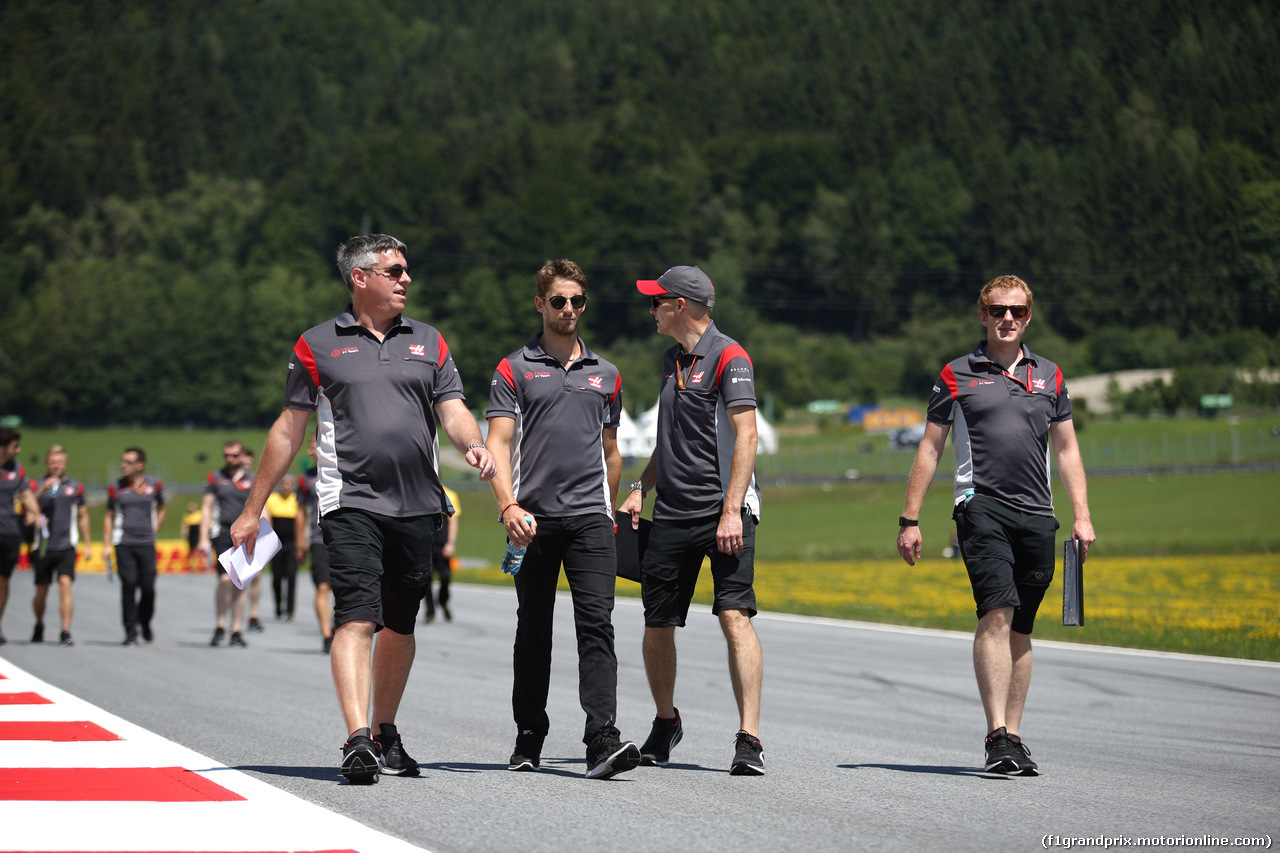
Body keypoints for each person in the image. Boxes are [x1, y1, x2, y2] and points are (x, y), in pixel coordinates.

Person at [229, 233, 496, 785]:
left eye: (406, 270)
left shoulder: (430, 341)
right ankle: (356, 740)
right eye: (395, 271)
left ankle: (384, 731)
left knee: (400, 622)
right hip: (348, 501)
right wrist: (252, 508)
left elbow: (454, 409)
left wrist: (473, 444)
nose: (406, 280)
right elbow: (288, 428)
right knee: (356, 615)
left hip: (420, 504)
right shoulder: (316, 345)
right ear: (361, 278)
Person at [896, 274, 1096, 776]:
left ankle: (1015, 734)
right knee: (997, 610)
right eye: (1000, 311)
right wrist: (910, 518)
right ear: (982, 315)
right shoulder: (956, 374)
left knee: (1022, 626)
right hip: (980, 506)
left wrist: (1083, 516)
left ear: (1029, 316)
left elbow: (1068, 449)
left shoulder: (1049, 375)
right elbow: (931, 446)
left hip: (1038, 514)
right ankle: (996, 735)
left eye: (1019, 312)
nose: (1009, 319)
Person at [486, 258, 641, 780]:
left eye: (577, 301)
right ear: (540, 303)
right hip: (532, 522)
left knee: (597, 624)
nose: (569, 309)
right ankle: (529, 735)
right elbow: (499, 444)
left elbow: (612, 450)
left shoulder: (608, 374)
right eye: (558, 300)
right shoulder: (514, 369)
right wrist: (507, 506)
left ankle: (602, 737)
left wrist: (607, 507)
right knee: (534, 629)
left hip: (591, 521)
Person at [619, 265, 766, 776]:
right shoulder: (671, 359)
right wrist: (641, 487)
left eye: (655, 301)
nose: (650, 309)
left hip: (725, 513)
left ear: (679, 304)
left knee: (734, 615)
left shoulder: (730, 356)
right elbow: (671, 441)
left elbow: (746, 436)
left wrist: (731, 510)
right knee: (657, 624)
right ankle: (666, 722)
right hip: (673, 513)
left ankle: (749, 737)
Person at [103, 447, 165, 646]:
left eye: (128, 462)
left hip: (147, 543)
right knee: (128, 585)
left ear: (140, 465)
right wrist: (106, 544)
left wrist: (156, 526)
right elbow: (108, 516)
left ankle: (144, 621)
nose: (123, 465)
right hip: (124, 542)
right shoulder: (116, 487)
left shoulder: (154, 485)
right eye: (122, 461)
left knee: (148, 588)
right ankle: (130, 630)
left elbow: (161, 507)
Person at [31, 445, 91, 646]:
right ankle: (39, 623)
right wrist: (41, 490)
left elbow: (82, 516)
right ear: (46, 463)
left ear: (65, 464)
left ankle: (65, 630)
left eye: (59, 462)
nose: (55, 466)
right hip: (44, 545)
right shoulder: (36, 485)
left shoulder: (75, 487)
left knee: (65, 585)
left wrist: (88, 543)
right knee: (42, 590)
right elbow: (26, 508)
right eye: (52, 462)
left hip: (66, 544)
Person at [198, 440, 253, 647]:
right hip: (222, 532)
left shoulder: (252, 479)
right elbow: (206, 508)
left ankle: (236, 629)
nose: (230, 459)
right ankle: (220, 624)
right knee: (224, 579)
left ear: (242, 455)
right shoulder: (216, 477)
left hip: (245, 535)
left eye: (234, 456)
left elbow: (261, 508)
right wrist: (203, 538)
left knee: (240, 582)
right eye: (226, 456)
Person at [0, 428, 40, 646]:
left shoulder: (17, 469)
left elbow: (26, 494)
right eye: (15, 446)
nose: (19, 450)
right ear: (3, 448)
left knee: (3, 581)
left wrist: (37, 514)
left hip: (9, 532)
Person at [296, 432, 334, 653]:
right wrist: (301, 542)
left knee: (343, 589)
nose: (310, 450)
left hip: (343, 537)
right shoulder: (305, 478)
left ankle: (340, 627)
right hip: (318, 539)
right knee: (322, 586)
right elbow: (300, 512)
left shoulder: (343, 471)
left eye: (313, 446)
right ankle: (326, 634)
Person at [424, 484, 460, 624]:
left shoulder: (449, 495)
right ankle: (430, 611)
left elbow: (453, 520)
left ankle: (443, 601)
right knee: (426, 580)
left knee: (445, 577)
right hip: (427, 544)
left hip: (443, 544)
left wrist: (450, 543)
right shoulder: (422, 492)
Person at [265, 474, 299, 621]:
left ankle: (290, 610)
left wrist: (300, 545)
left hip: (291, 543)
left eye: (289, 484)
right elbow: (268, 521)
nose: (286, 486)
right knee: (277, 577)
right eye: (284, 484)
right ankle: (279, 606)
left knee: (291, 576)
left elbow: (300, 523)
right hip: (276, 543)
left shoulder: (296, 500)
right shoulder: (272, 499)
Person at [241, 446, 266, 632]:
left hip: (254, 531)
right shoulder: (227, 481)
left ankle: (253, 614)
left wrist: (266, 531)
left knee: (256, 574)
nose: (247, 466)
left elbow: (265, 506)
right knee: (236, 577)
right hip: (234, 530)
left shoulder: (256, 481)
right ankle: (235, 617)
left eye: (249, 463)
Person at [180, 501, 205, 571]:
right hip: (191, 534)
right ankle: (190, 566)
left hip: (197, 533)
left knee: (198, 550)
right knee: (190, 551)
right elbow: (185, 526)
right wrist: (184, 533)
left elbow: (202, 525)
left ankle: (200, 566)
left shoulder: (199, 514)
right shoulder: (187, 515)